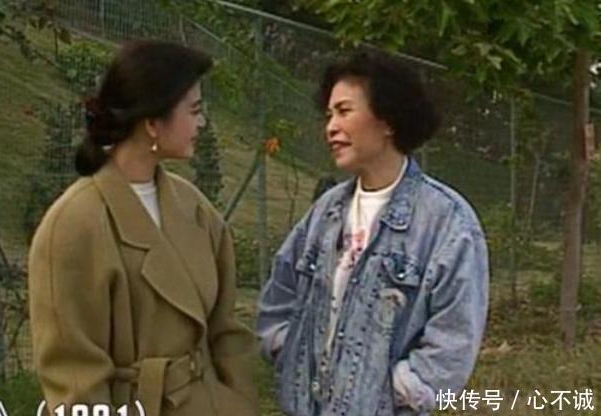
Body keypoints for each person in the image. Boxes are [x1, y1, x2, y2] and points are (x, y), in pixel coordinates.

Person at [29, 40, 258, 416]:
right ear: (152, 123)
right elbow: (74, 380)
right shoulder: (73, 226)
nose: (202, 123)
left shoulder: (196, 208)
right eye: (194, 110)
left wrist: (239, 402)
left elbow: (227, 332)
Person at [256, 51, 489, 415]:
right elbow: (280, 295)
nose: (331, 127)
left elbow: (454, 341)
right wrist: (292, 354)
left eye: (344, 111)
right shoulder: (327, 211)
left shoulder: (447, 222)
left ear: (388, 120)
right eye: (329, 115)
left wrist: (395, 390)